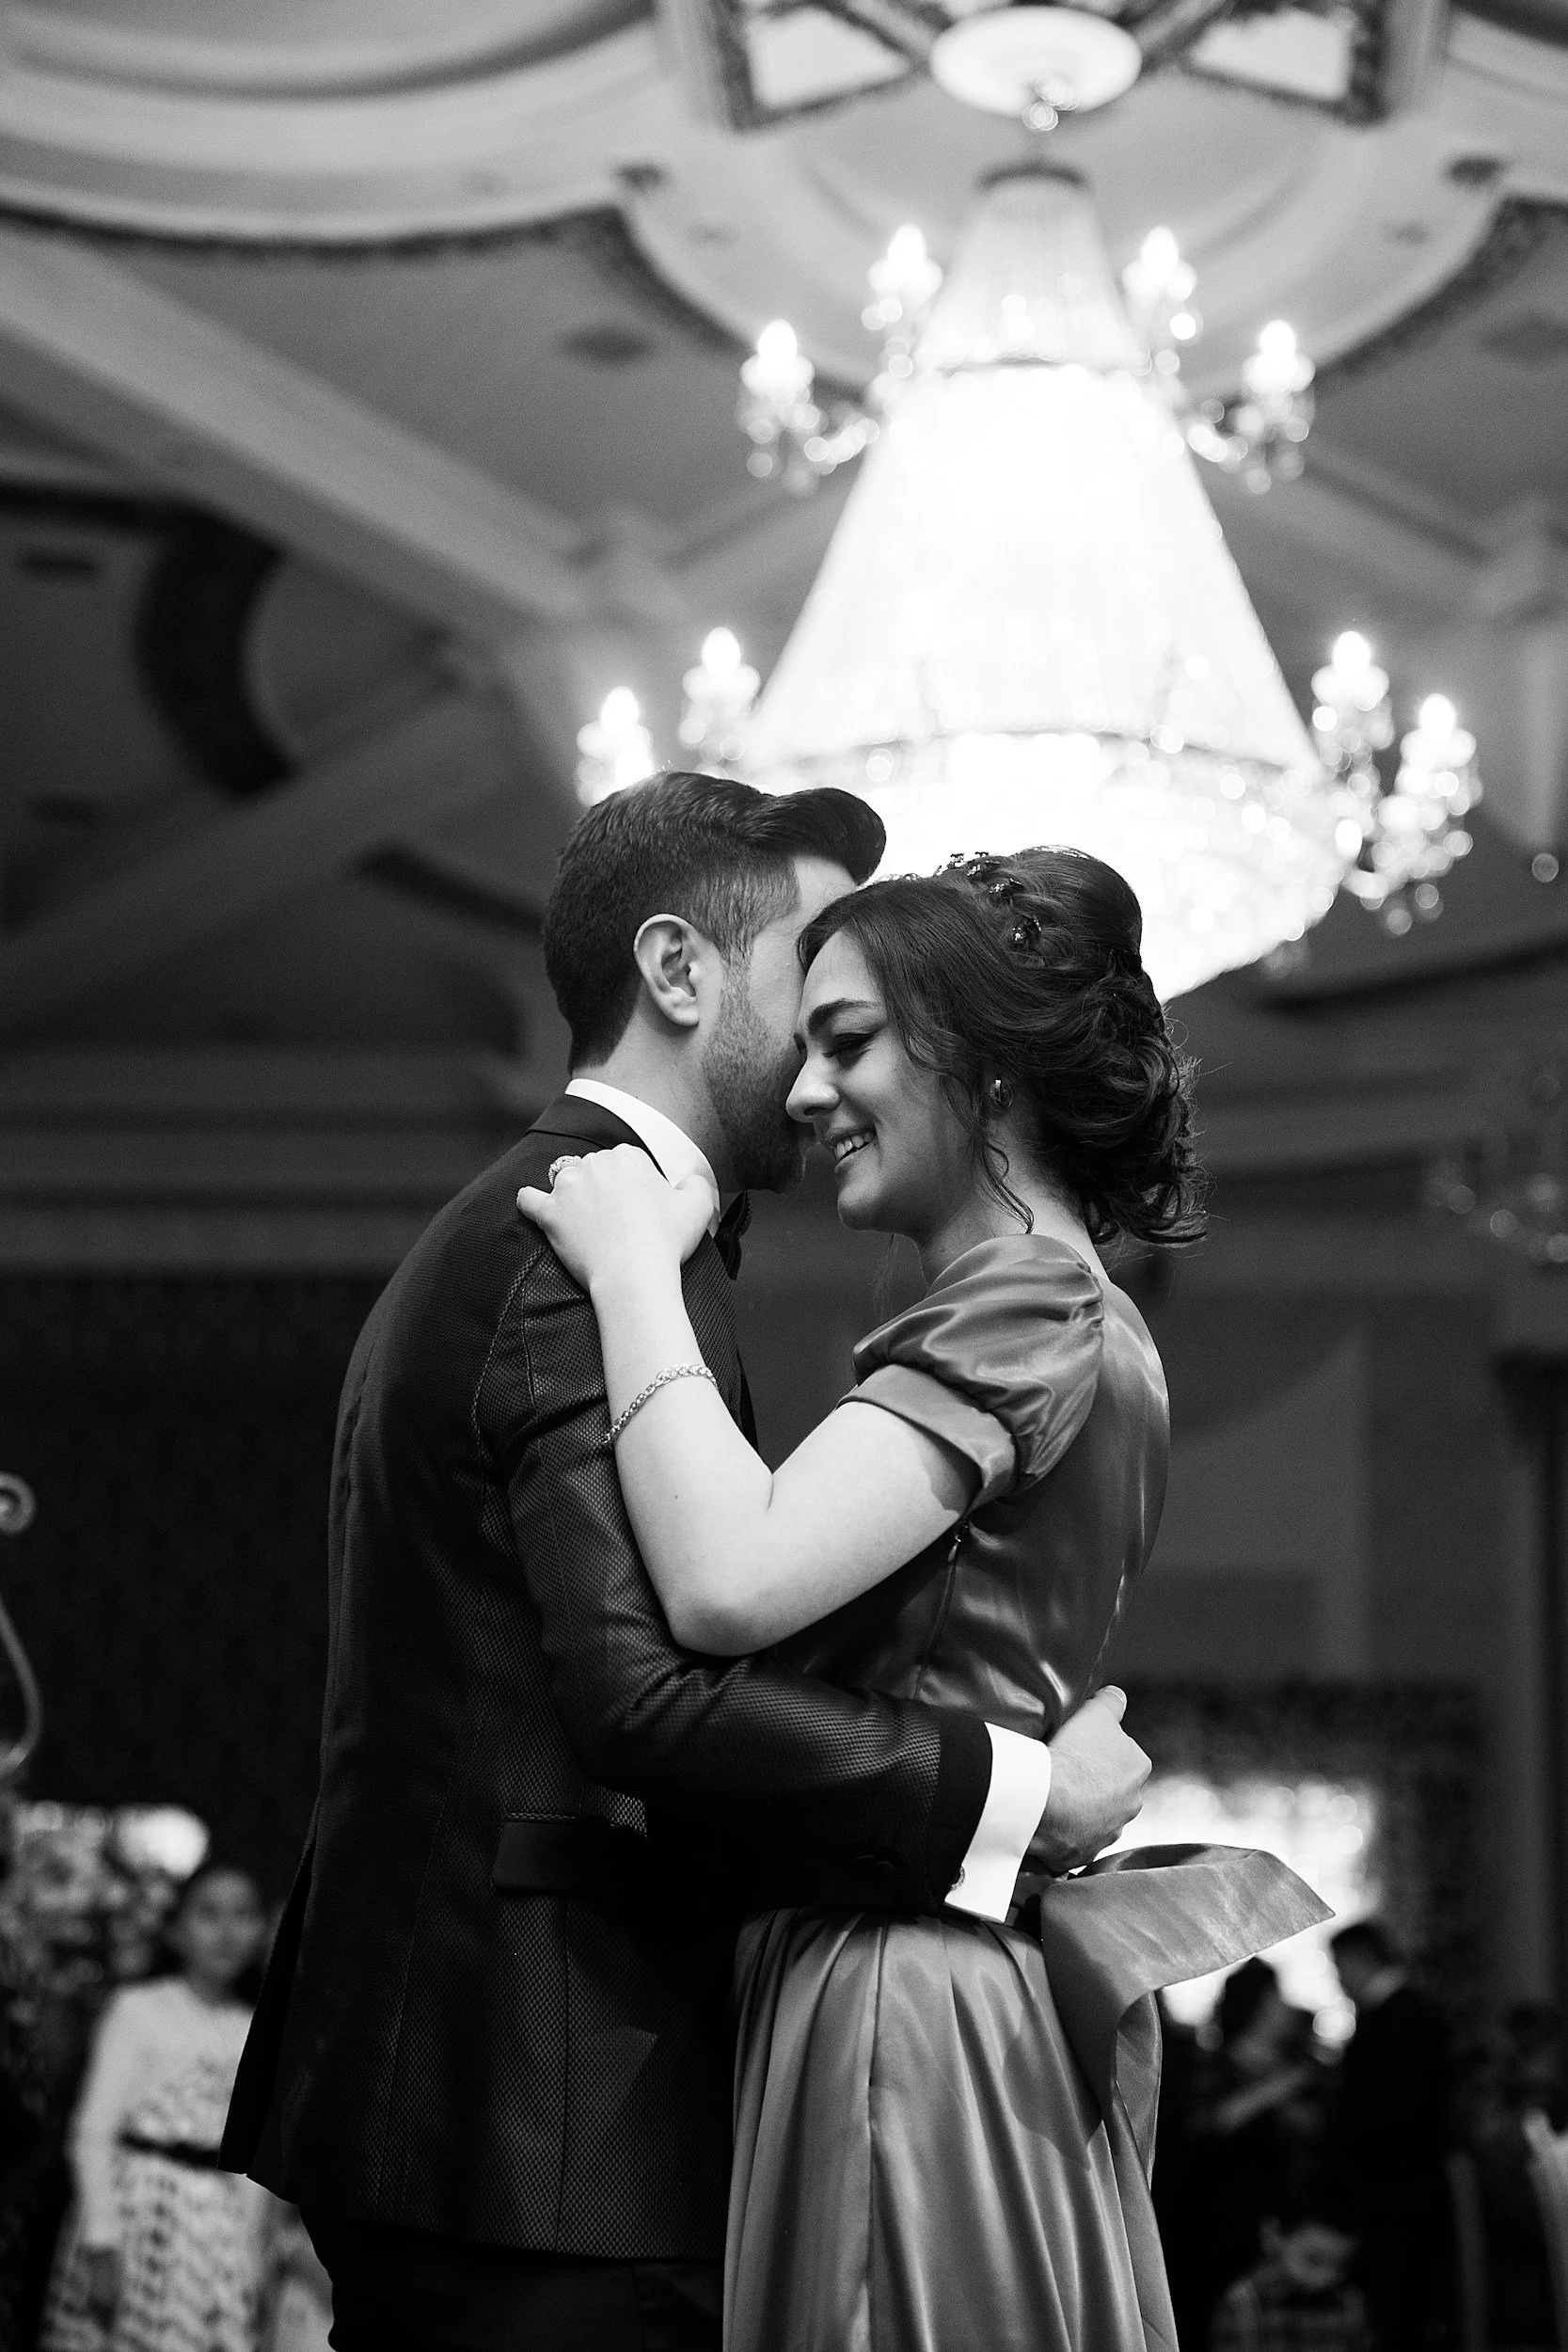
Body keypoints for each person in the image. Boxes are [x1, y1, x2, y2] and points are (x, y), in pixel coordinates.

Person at [221, 774, 1153, 2352]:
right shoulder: (575, 1253)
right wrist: (1017, 1796)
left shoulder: (600, 1247)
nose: (811, 1071)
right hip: (544, 2109)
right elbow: (652, 1697)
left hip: (546, 2101)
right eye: (813, 990)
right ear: (678, 974)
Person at [522, 843, 1321, 2350]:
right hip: (938, 1956)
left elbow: (725, 1578)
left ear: (981, 1062)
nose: (805, 1094)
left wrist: (632, 1272)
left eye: (848, 1044)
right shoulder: (1057, 1304)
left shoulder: (1028, 1296)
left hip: (911, 1986)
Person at [42, 1862, 272, 2352]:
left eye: (243, 1914)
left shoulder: (255, 2028)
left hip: (215, 2233)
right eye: (208, 1914)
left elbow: (251, 2158)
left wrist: (252, 2254)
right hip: (137, 2215)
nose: (227, 1931)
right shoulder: (138, 2010)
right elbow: (93, 2132)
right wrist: (102, 2239)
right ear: (176, 1929)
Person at [1329, 1918, 1452, 2352]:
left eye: (1338, 1966)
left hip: (1397, 2189)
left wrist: (1335, 2123)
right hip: (1402, 2187)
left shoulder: (1399, 2017)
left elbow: (1402, 2107)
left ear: (1360, 1959)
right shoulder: (1408, 2010)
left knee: (1399, 2313)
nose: (1338, 1979)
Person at [1186, 1959, 1328, 2334]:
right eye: (1277, 1997)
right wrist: (1279, 2089)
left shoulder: (1300, 2064)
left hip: (1282, 2215)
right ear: (1260, 2004)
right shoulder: (1214, 2063)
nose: (1285, 2007)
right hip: (1219, 2215)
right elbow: (1210, 2125)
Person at [1208, 2182, 1370, 2352]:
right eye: (1313, 2260)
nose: (1326, 2277)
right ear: (1273, 2235)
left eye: (1340, 2267)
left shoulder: (1349, 2304)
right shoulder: (1243, 2303)